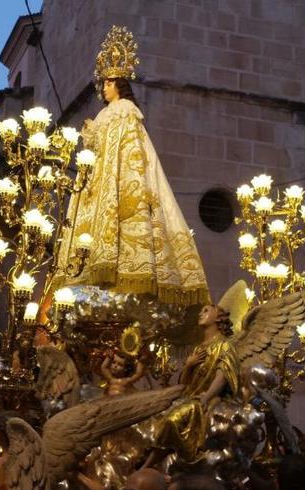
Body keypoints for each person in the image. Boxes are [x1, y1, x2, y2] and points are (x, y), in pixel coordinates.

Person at [55, 25, 209, 307]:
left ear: (118, 85)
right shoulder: (105, 114)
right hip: (98, 181)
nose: (103, 88)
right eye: (103, 83)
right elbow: (99, 147)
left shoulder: (125, 110)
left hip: (121, 178)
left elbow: (124, 147)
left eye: (108, 83)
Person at [144, 304, 238, 464]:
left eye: (206, 310)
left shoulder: (224, 345)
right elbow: (183, 384)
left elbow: (223, 376)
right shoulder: (198, 349)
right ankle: (152, 464)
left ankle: (189, 460)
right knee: (153, 419)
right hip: (189, 396)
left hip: (205, 400)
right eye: (201, 311)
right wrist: (188, 365)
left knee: (171, 421)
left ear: (218, 317)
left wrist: (207, 396)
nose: (200, 314)